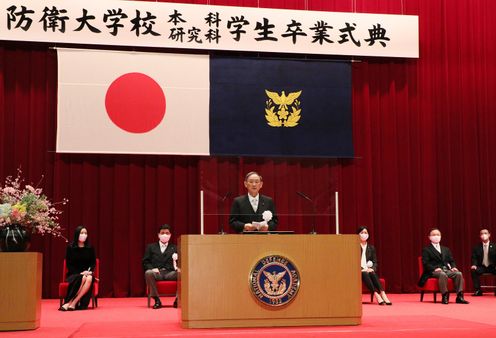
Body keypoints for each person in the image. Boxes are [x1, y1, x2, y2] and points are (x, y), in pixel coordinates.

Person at [418, 228, 469, 304]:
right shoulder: (426, 249)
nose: (436, 236)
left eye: (438, 235)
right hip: (432, 271)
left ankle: (459, 296)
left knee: (458, 274)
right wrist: (435, 268)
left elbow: (451, 261)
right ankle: (444, 295)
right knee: (442, 274)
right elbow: (425, 263)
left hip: (446, 270)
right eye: (434, 235)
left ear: (441, 236)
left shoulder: (446, 249)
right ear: (429, 237)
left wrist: (453, 267)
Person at [59, 226, 96, 311]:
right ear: (77, 234)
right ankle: (69, 302)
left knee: (89, 278)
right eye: (82, 233)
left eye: (85, 233)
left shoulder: (90, 248)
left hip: (88, 273)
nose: (84, 235)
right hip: (74, 273)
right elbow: (69, 264)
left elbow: (93, 263)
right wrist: (80, 273)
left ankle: (73, 302)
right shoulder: (70, 248)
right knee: (82, 278)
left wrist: (88, 271)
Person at [142, 224, 178, 309]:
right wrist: (152, 268)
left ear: (170, 235)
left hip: (170, 273)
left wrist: (178, 267)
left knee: (183, 273)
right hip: (157, 272)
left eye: (167, 233)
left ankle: (177, 299)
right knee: (148, 273)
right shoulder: (151, 247)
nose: (164, 235)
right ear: (158, 235)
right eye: (162, 233)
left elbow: (181, 262)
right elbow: (145, 261)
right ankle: (157, 300)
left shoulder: (175, 247)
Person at [357, 226, 392, 305]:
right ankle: (376, 294)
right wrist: (361, 268)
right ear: (358, 234)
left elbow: (375, 261)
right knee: (364, 273)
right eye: (362, 233)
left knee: (372, 272)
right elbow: (352, 261)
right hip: (358, 271)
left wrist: (372, 268)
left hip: (368, 269)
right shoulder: (354, 246)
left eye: (365, 233)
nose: (364, 234)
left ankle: (383, 294)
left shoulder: (371, 248)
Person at [471, 228, 496, 296]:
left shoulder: (494, 246)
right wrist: (474, 265)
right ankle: (478, 290)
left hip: (492, 267)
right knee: (473, 270)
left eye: (485, 233)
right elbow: (474, 258)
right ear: (480, 236)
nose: (483, 235)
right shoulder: (476, 247)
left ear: (489, 235)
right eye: (481, 234)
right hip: (482, 267)